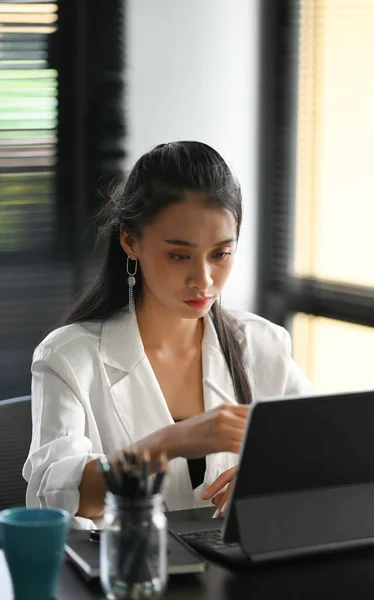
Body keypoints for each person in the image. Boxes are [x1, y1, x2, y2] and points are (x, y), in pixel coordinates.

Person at [23, 141, 311, 529]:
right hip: (127, 577)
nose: (204, 281)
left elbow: (325, 452)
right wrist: (167, 444)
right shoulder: (69, 357)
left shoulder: (260, 344)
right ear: (131, 242)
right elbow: (53, 501)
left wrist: (270, 478)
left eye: (220, 254)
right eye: (179, 255)